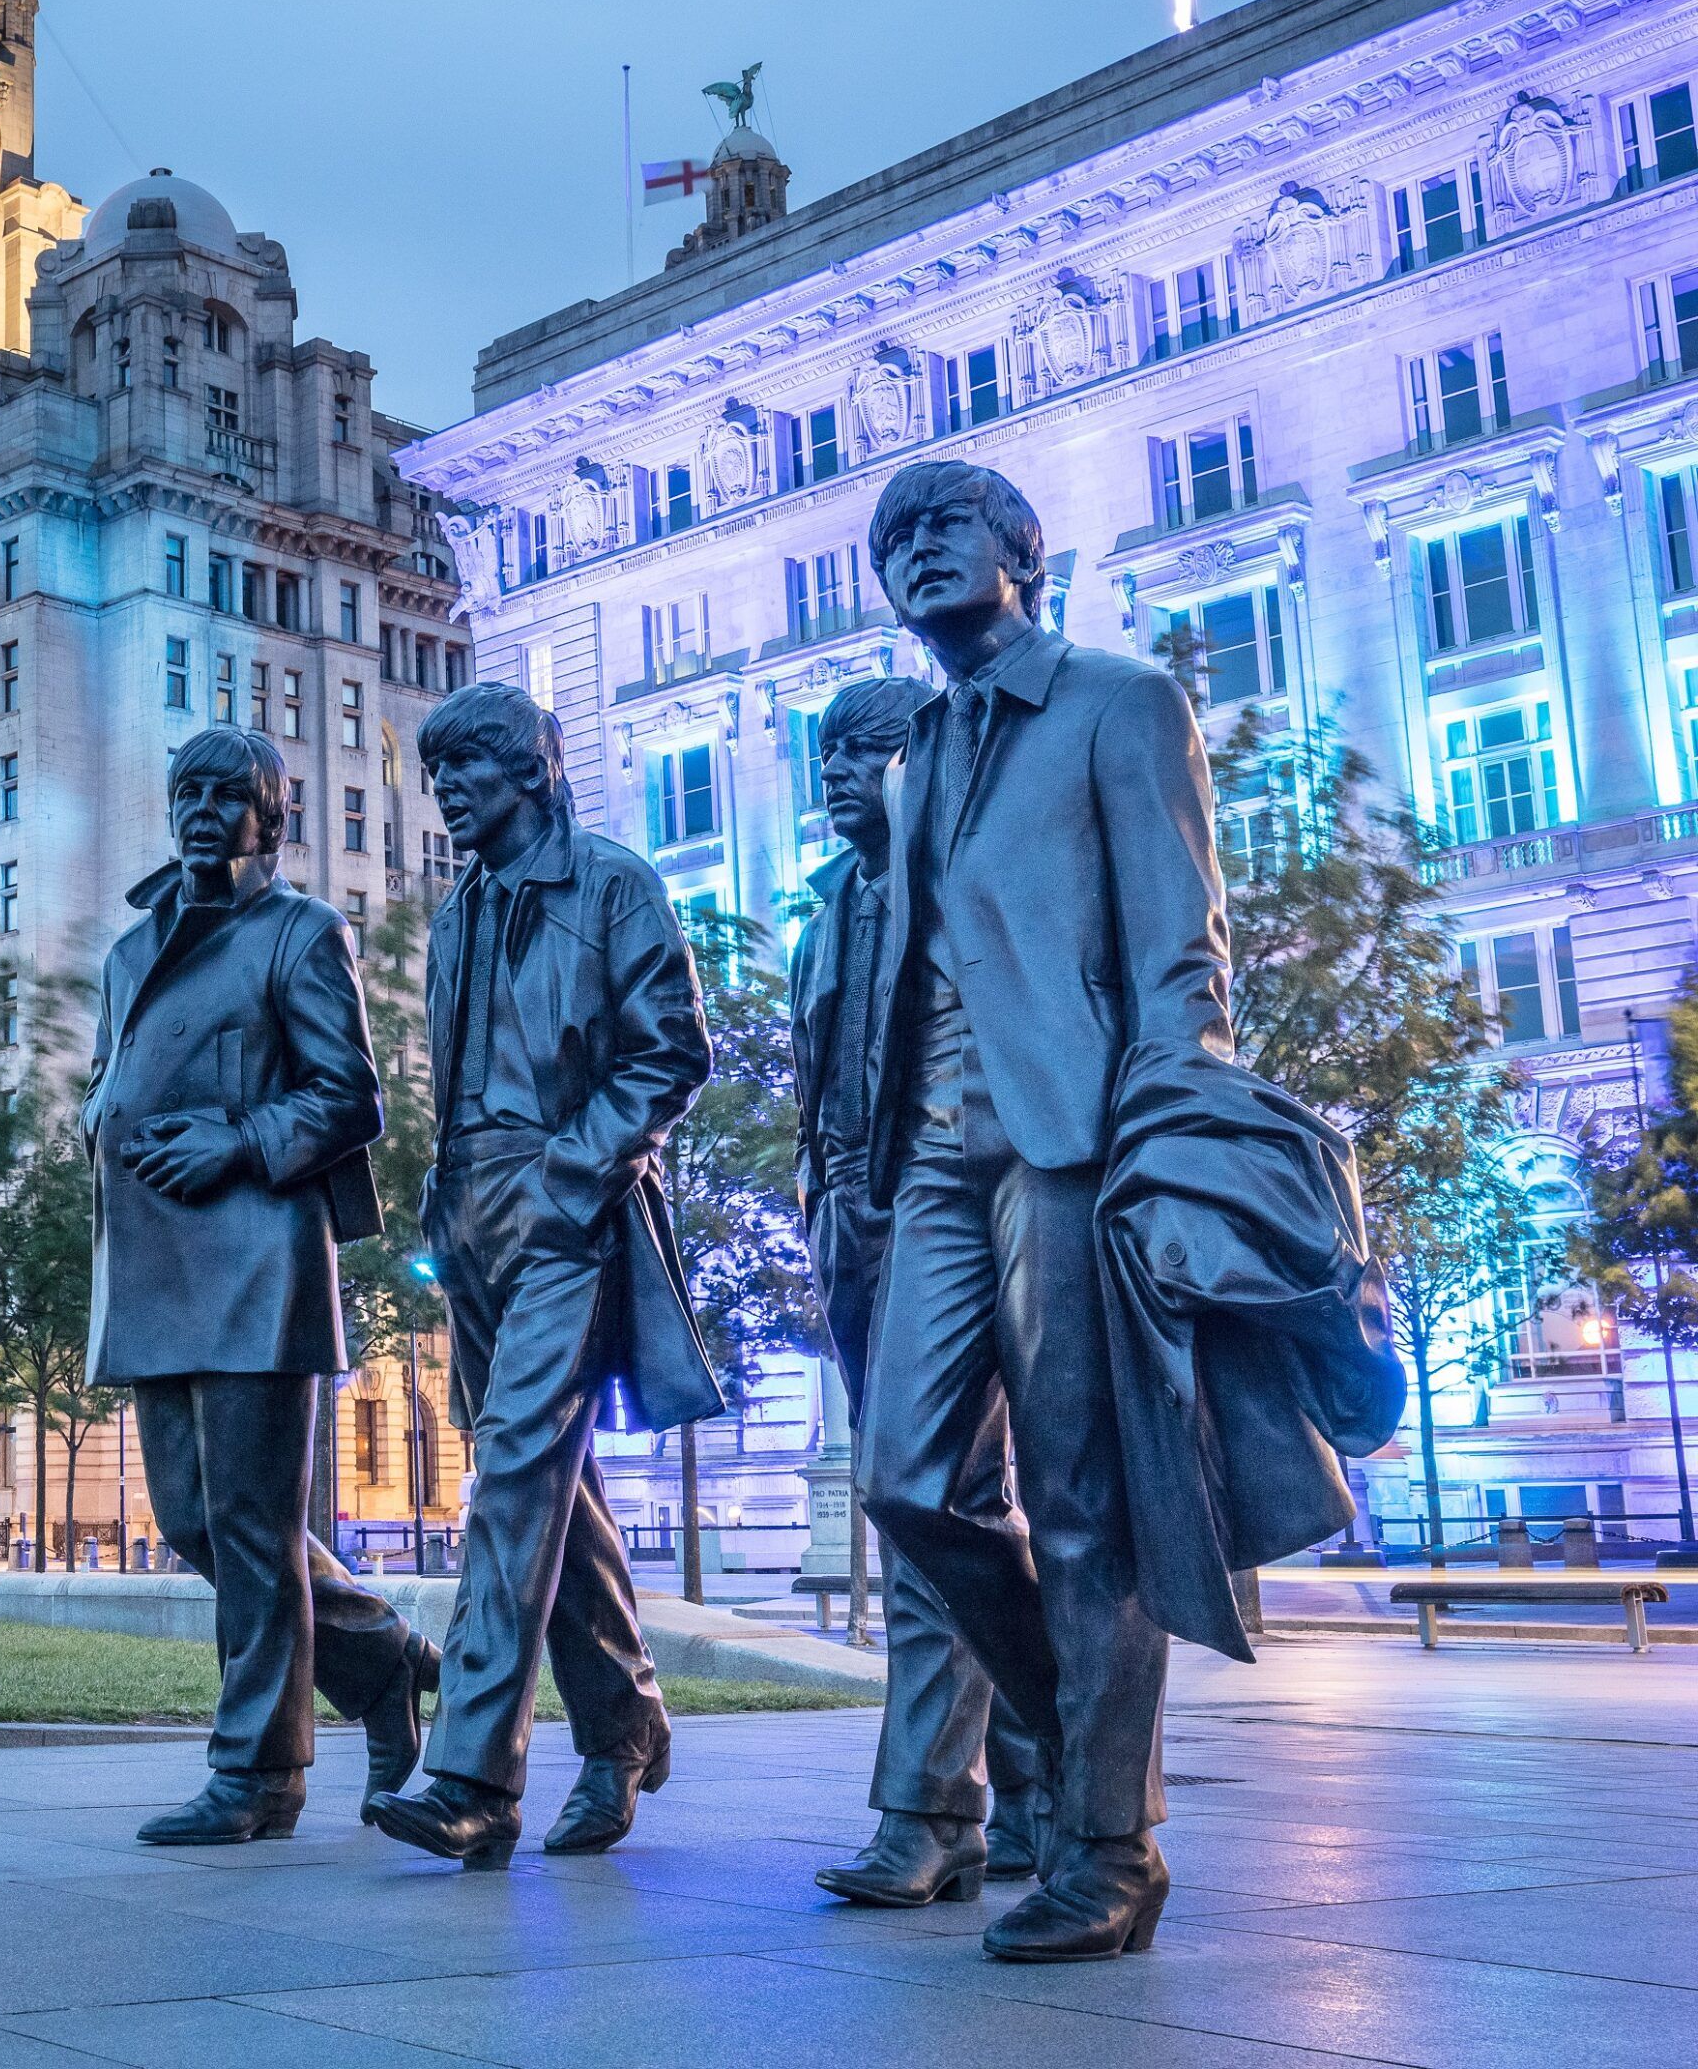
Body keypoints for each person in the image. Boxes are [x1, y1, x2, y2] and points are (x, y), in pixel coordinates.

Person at [856, 459, 1196, 1962]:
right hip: (931, 1152)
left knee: (1080, 1500)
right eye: (893, 542)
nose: (917, 552)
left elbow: (1182, 948)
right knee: (907, 1481)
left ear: (1022, 552)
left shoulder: (1120, 704)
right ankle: (1069, 1750)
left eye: (945, 527)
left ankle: (1109, 1847)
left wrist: (1167, 1133)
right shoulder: (920, 746)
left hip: (1069, 1136)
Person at [369, 683, 717, 1870]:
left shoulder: (610, 883)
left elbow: (670, 1050)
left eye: (467, 764)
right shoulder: (456, 912)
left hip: (568, 1206)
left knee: (514, 1475)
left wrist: (571, 1173)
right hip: (469, 1216)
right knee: (548, 1486)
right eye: (438, 770)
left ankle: (472, 1776)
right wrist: (447, 1204)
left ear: (530, 765)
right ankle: (622, 1726)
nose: (448, 787)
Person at [85, 727, 437, 1845]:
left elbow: (350, 1097)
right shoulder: (131, 949)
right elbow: (114, 1073)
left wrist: (236, 1140)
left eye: (226, 794)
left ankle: (258, 1776)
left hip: (254, 1263)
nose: (201, 809)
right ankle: (384, 1662)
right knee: (195, 1521)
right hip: (148, 1262)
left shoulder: (301, 933)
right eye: (184, 788)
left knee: (248, 1528)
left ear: (270, 818)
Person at [788, 675, 1040, 1908]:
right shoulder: (826, 908)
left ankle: (929, 1809)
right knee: (942, 1502)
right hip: (856, 1229)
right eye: (826, 754)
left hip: (964, 1211)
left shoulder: (973, 890)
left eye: (867, 751)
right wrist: (821, 1202)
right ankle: (1042, 1774)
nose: (837, 772)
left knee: (919, 1491)